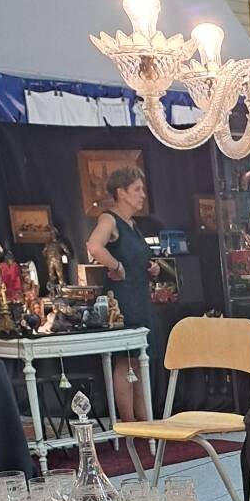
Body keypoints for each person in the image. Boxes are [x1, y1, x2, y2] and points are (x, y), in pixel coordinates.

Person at [85, 166, 159, 422]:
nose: (142, 195)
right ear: (121, 192)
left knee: (138, 361)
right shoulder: (109, 220)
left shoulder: (132, 224)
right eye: (137, 189)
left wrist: (152, 268)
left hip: (139, 297)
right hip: (123, 300)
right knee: (125, 362)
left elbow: (136, 258)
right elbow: (94, 246)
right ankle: (129, 424)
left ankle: (144, 420)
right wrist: (115, 266)